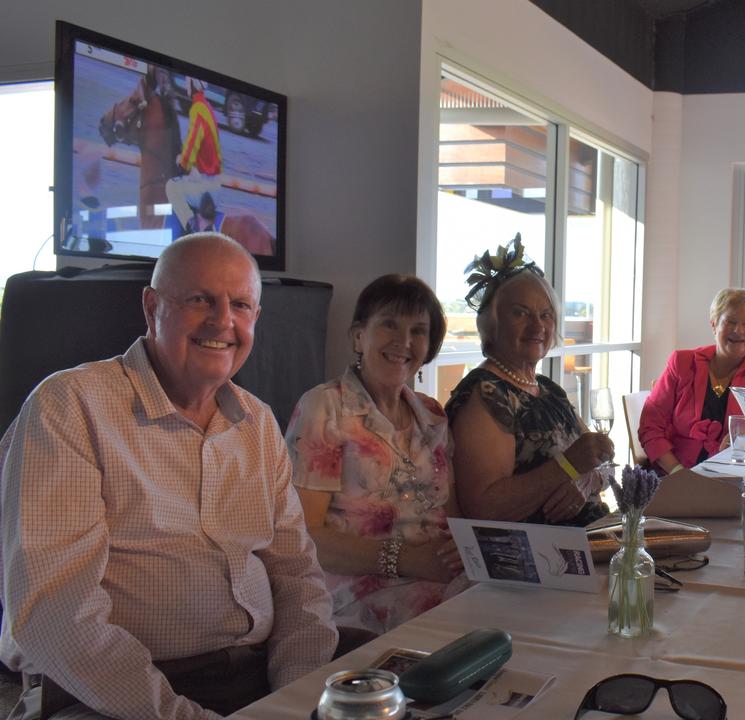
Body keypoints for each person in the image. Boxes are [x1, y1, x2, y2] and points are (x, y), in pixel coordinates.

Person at [0, 233, 337, 719]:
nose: (223, 320)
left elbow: (296, 575)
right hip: (110, 694)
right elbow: (57, 615)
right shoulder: (70, 408)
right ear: (152, 306)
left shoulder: (258, 422)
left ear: (255, 320)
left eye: (240, 304)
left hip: (254, 674)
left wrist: (297, 701)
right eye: (200, 299)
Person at [285, 274, 467, 634]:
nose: (404, 341)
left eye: (418, 330)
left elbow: (454, 517)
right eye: (389, 324)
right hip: (357, 597)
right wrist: (407, 559)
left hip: (443, 583)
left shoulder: (432, 414)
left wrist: (465, 552)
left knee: (520, 612)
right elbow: (305, 537)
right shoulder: (325, 407)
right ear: (358, 336)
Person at [446, 236, 613, 525]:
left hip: (594, 543)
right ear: (492, 323)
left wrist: (585, 480)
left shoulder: (548, 390)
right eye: (521, 313)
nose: (538, 326)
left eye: (546, 315)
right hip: (539, 560)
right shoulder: (485, 395)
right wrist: (568, 466)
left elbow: (604, 461)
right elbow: (485, 508)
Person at [637, 288, 745, 474]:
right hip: (674, 474)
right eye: (730, 322)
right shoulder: (681, 363)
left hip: (736, 477)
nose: (738, 330)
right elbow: (650, 427)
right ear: (714, 325)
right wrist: (677, 472)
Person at [165, 77, 222, 232]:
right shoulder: (208, 107)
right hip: (215, 185)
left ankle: (191, 226)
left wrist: (182, 163)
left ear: (192, 85)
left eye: (187, 81)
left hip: (204, 187)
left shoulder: (197, 108)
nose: (186, 84)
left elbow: (192, 142)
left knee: (171, 187)